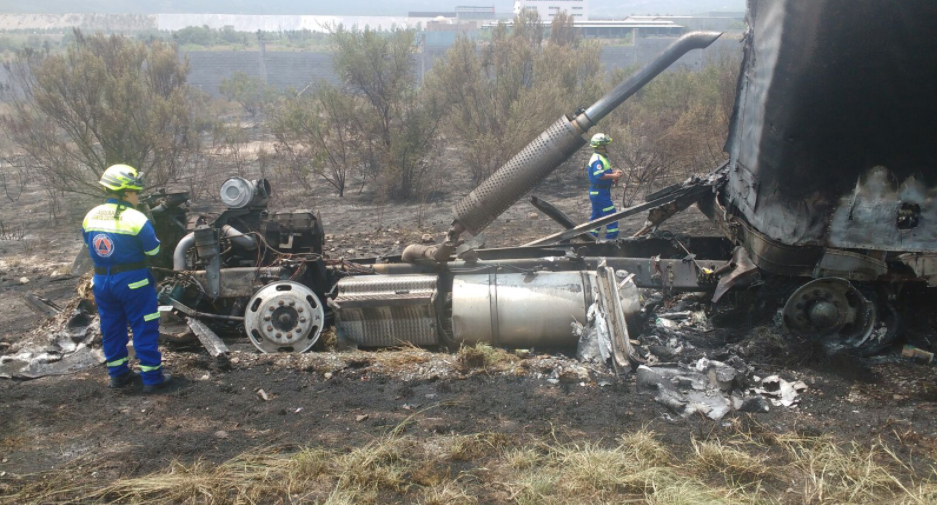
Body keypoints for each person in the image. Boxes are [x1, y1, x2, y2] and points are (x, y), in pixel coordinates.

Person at [82, 164, 171, 393]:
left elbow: (88, 245)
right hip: (133, 282)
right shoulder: (135, 218)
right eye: (135, 192)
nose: (137, 196)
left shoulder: (91, 216)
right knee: (144, 326)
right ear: (125, 192)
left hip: (102, 282)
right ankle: (152, 380)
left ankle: (118, 375)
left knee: (111, 327)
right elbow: (153, 251)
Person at [586, 133, 623, 239]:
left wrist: (612, 179)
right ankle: (610, 240)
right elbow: (599, 175)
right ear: (601, 146)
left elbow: (600, 178)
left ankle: (590, 240)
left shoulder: (600, 158)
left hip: (598, 192)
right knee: (611, 216)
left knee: (596, 218)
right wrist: (614, 175)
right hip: (600, 193)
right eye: (606, 144)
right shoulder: (598, 159)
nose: (608, 147)